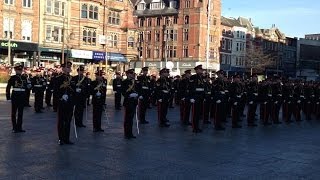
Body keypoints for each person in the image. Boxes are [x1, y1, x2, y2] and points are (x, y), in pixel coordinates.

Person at [55, 62, 75, 145]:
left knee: (68, 121)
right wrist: (61, 96)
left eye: (70, 67)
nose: (69, 69)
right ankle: (61, 138)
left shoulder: (72, 78)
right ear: (63, 68)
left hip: (69, 101)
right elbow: (56, 90)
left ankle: (67, 138)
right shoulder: (58, 78)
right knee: (61, 121)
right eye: (67, 67)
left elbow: (74, 89)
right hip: (62, 101)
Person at [6, 64, 28, 133]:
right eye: (18, 70)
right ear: (15, 70)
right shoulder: (12, 78)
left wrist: (29, 86)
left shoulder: (24, 78)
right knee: (14, 113)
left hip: (22, 96)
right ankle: (14, 128)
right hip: (15, 96)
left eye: (21, 70)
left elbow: (27, 87)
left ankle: (19, 127)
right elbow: (8, 87)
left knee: (20, 113)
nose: (20, 71)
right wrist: (8, 97)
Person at [121, 69, 138, 139]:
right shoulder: (124, 82)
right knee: (127, 119)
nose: (132, 75)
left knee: (131, 119)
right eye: (131, 73)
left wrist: (137, 94)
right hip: (128, 102)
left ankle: (130, 133)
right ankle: (126, 133)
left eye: (133, 73)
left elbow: (139, 89)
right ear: (127, 74)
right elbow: (123, 91)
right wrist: (129, 95)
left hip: (134, 101)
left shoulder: (135, 82)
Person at [189, 65, 205, 133]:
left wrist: (203, 97)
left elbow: (203, 87)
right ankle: (194, 128)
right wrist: (192, 97)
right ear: (196, 70)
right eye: (200, 69)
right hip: (195, 97)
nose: (201, 70)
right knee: (195, 113)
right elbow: (191, 88)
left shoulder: (202, 77)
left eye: (201, 69)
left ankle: (197, 126)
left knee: (198, 113)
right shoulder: (193, 77)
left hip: (200, 97)